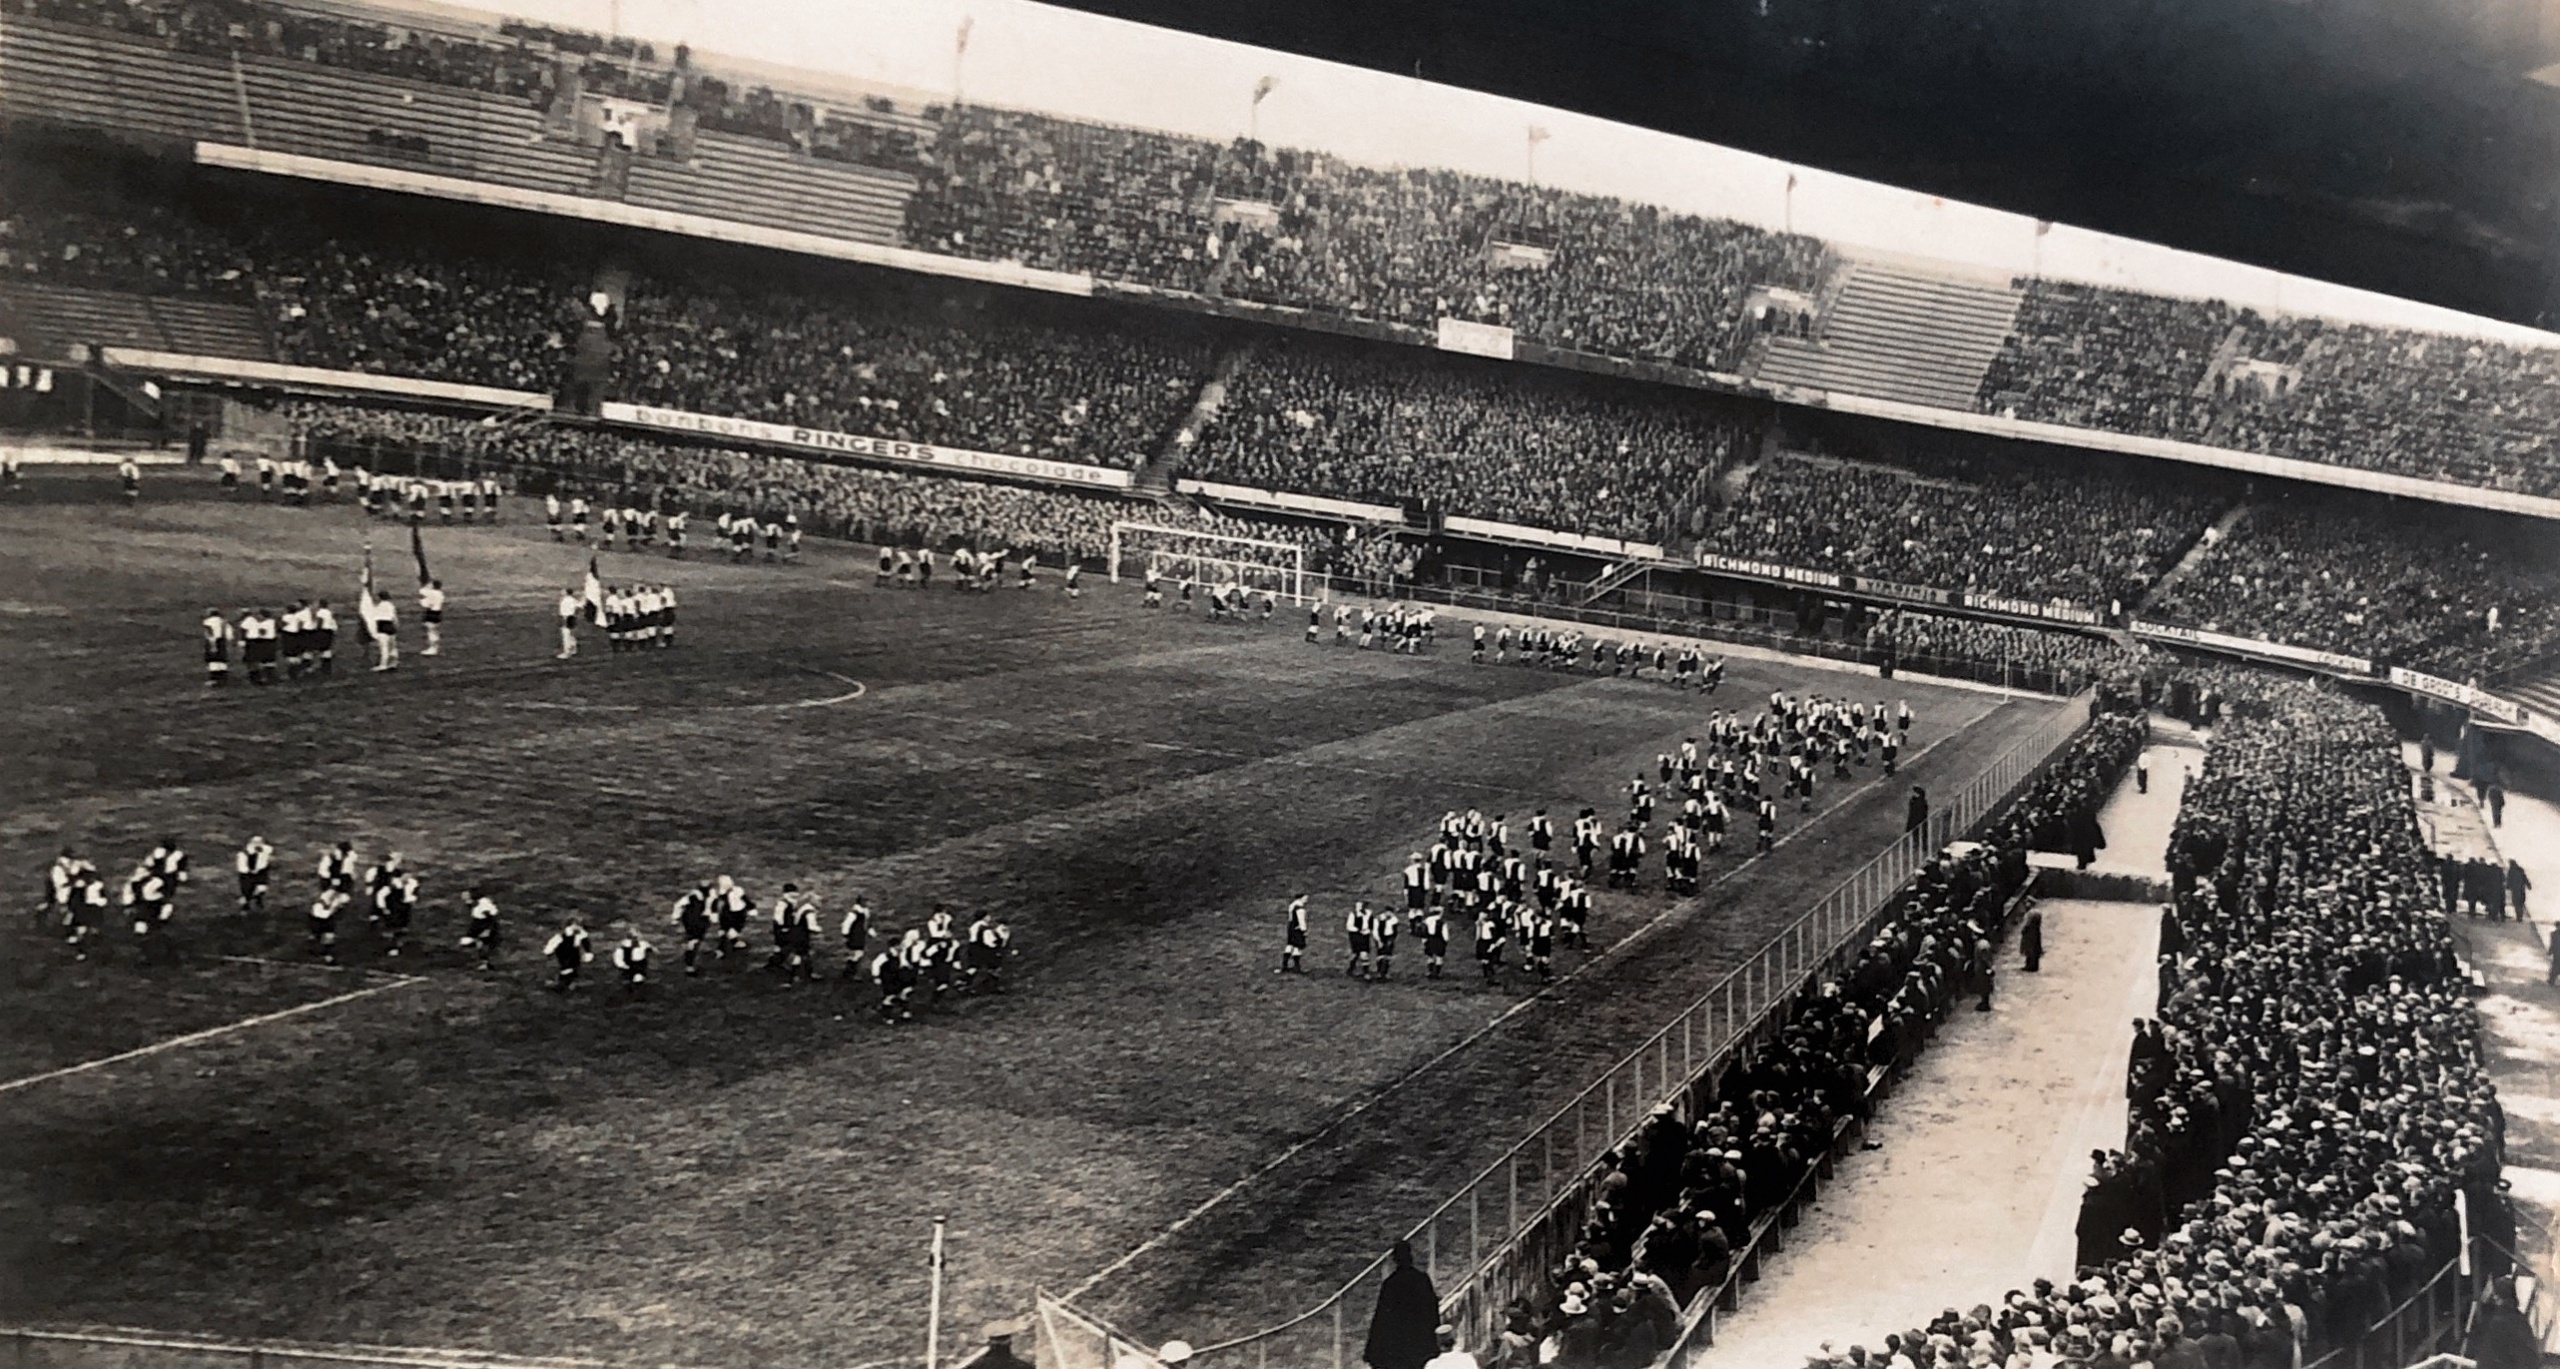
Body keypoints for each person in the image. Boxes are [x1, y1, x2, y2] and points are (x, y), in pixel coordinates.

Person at [1362, 1240, 1440, 1369]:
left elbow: (1381, 1318)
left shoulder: (1391, 1284)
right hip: (1420, 1344)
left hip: (1398, 1348)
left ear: (1395, 1260)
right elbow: (1432, 1311)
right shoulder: (1421, 1279)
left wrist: (1372, 1351)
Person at [2019, 908, 2044, 973]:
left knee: (2029, 949)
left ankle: (2029, 965)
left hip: (2029, 934)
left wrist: (2023, 930)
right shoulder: (2037, 912)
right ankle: (2035, 965)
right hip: (2036, 932)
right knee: (2035, 948)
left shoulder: (2030, 914)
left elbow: (2027, 924)